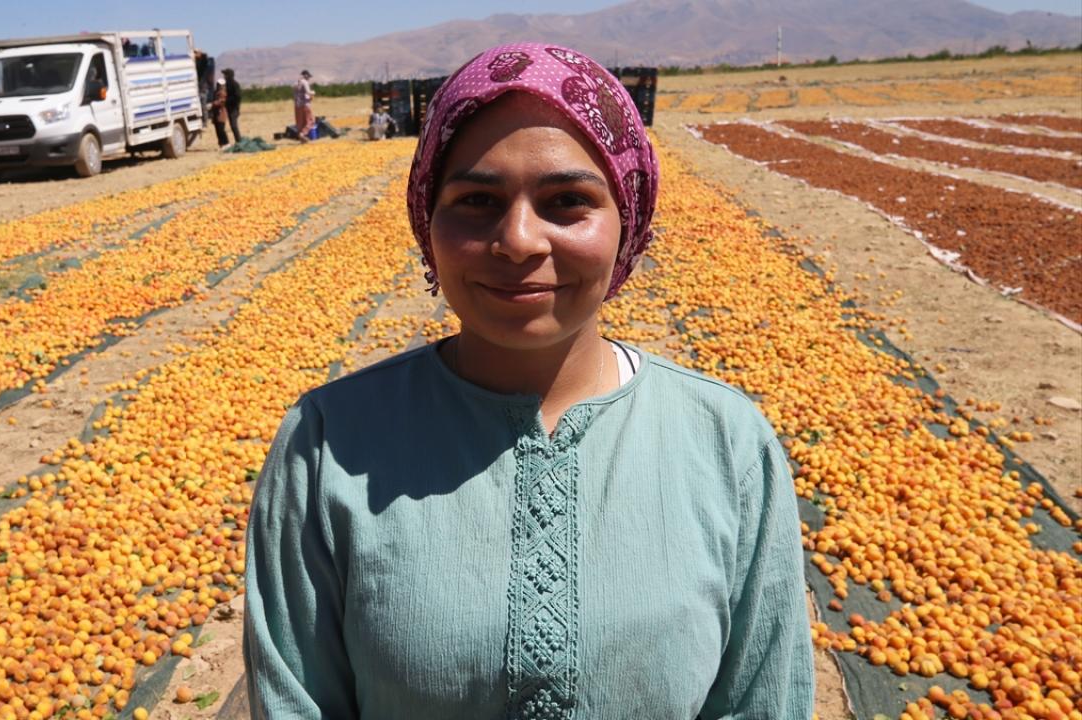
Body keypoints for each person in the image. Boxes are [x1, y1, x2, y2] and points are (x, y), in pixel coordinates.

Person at [244, 42, 815, 719]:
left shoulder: (727, 445)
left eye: (568, 200)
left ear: (627, 220)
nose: (518, 240)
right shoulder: (327, 448)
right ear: (427, 220)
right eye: (477, 199)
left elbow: (762, 702)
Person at [292, 69, 315, 142]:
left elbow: (295, 94)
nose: (309, 78)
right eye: (308, 77)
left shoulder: (295, 83)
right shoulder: (305, 82)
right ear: (306, 76)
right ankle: (302, 134)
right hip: (305, 105)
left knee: (300, 121)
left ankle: (301, 137)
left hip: (297, 106)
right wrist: (313, 92)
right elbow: (308, 92)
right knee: (310, 120)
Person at [222, 68, 242, 145]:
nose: (224, 76)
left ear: (229, 75)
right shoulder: (227, 84)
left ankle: (239, 141)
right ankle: (238, 141)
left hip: (234, 109)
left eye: (225, 75)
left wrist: (228, 101)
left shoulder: (234, 84)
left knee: (234, 125)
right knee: (232, 125)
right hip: (229, 108)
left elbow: (238, 97)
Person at [210, 77, 230, 149]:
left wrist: (214, 103)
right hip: (216, 114)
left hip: (221, 113)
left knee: (221, 129)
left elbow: (222, 102)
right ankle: (221, 143)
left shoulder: (224, 93)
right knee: (218, 130)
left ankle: (226, 143)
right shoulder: (216, 92)